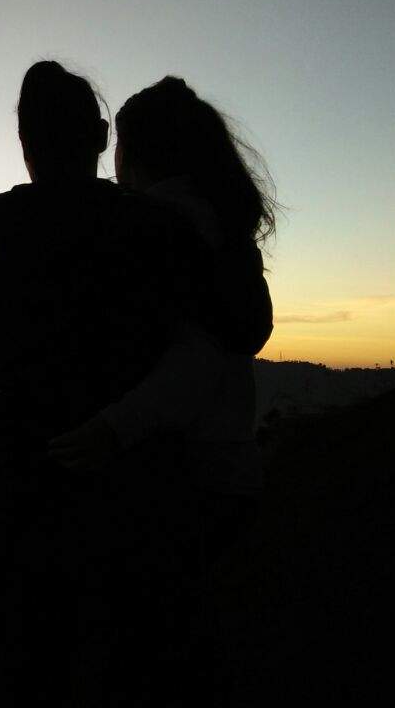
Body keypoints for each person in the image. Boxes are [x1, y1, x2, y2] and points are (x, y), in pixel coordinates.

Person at [0, 62, 208, 707]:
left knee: (37, 681)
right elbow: (228, 338)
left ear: (25, 144)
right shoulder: (158, 234)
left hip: (24, 506)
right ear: (99, 136)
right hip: (141, 504)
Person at [48, 76, 276, 705]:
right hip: (227, 467)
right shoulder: (218, 228)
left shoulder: (163, 226)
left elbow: (201, 354)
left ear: (138, 151)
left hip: (187, 474)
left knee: (152, 659)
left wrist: (115, 426)